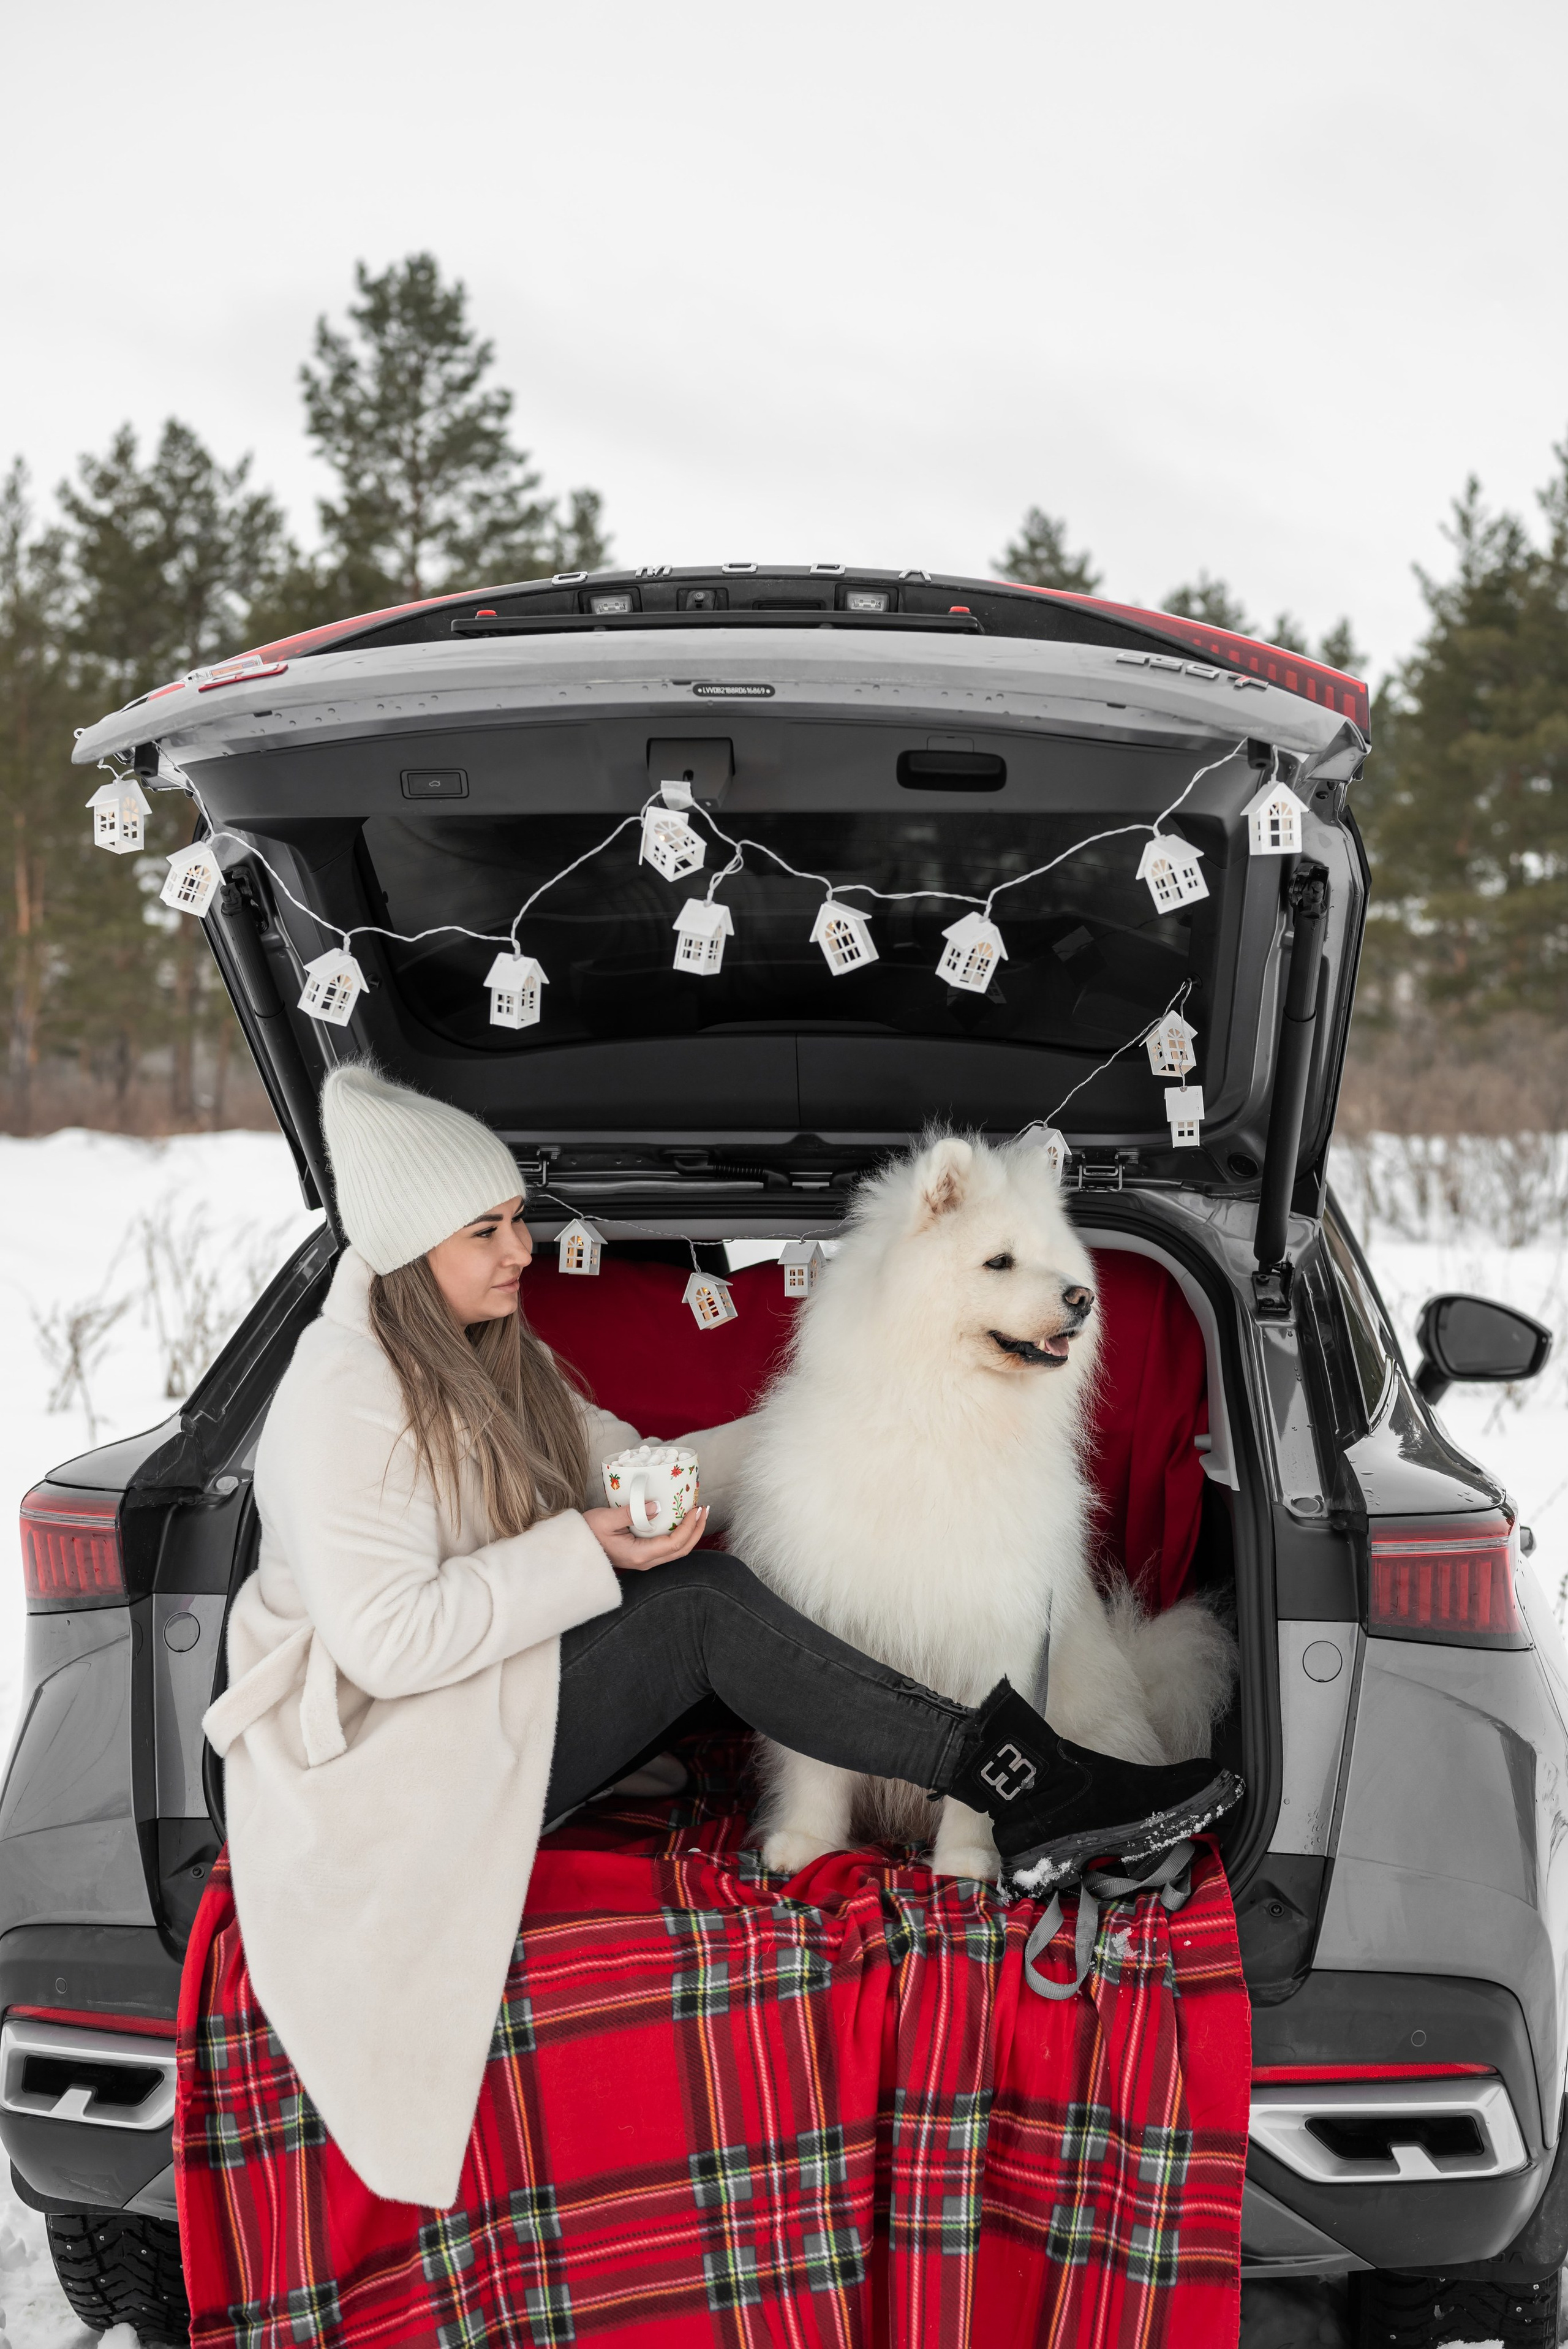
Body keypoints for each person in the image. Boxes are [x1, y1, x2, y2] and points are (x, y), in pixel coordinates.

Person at [203, 1063, 1238, 2209]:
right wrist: (590, 1548)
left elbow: (637, 1466)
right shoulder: (343, 1394)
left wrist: (839, 1416)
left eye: (519, 1221)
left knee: (696, 1587)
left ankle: (1023, 1776)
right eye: (489, 1228)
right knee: (701, 1603)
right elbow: (391, 1642)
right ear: (406, 1244)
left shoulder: (493, 1353)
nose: (523, 1249)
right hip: (385, 1763)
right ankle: (1026, 1779)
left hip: (479, 1706)